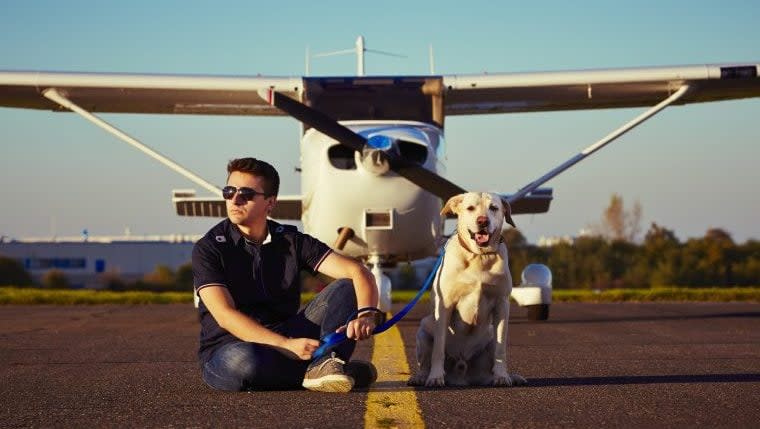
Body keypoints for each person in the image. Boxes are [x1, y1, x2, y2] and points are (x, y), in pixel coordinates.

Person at [192, 157, 380, 392]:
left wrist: (367, 314)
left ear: (270, 203)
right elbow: (224, 315)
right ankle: (326, 369)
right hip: (229, 347)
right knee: (246, 361)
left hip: (288, 335)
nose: (235, 199)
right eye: (229, 191)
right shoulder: (208, 247)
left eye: (246, 194)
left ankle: (325, 363)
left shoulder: (292, 241)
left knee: (347, 287)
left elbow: (357, 271)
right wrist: (286, 345)